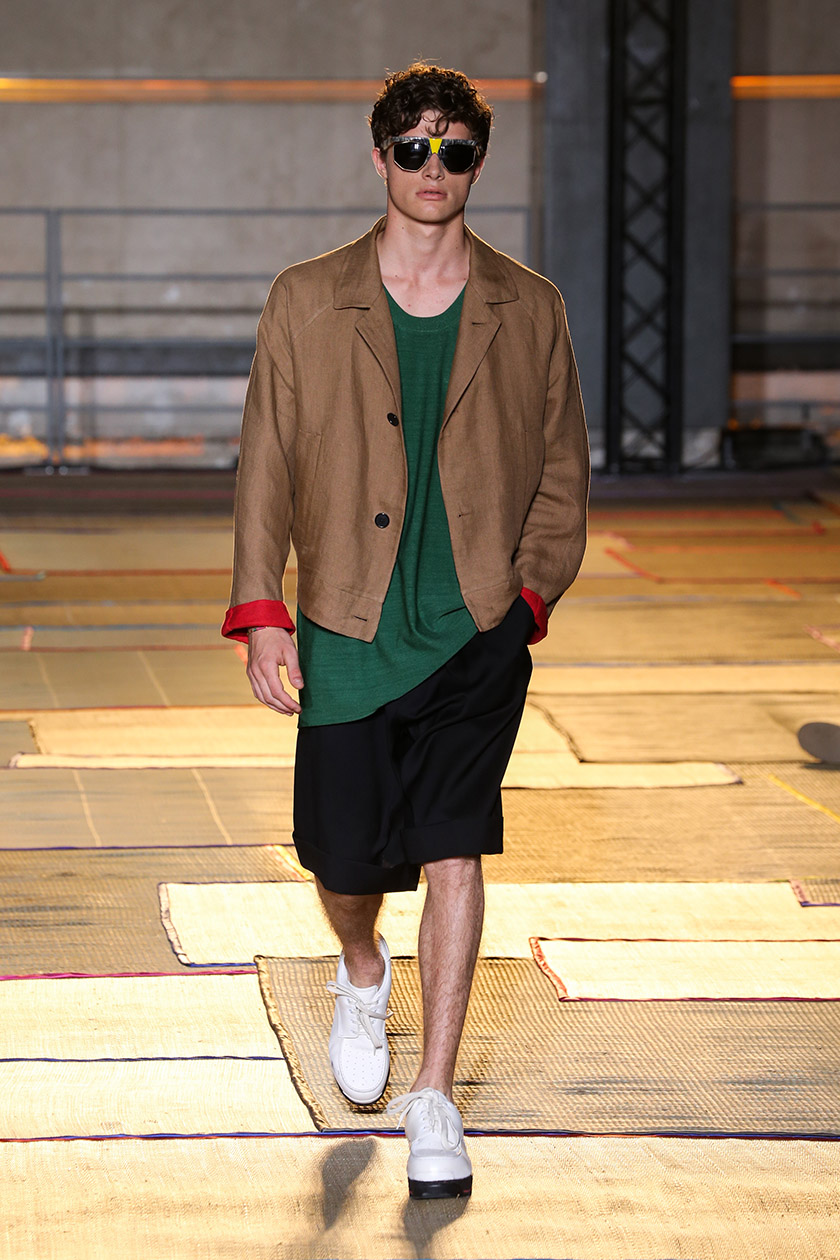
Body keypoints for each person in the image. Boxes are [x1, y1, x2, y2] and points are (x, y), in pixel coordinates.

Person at [222, 61, 589, 1199]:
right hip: (345, 619)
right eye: (415, 148)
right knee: (342, 861)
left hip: (477, 625)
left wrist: (528, 598)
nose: (435, 167)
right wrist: (263, 613)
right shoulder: (305, 298)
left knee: (454, 847)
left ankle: (435, 1096)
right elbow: (265, 463)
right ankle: (361, 967)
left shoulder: (531, 308)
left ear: (479, 162)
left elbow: (564, 469)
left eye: (456, 149)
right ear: (380, 158)